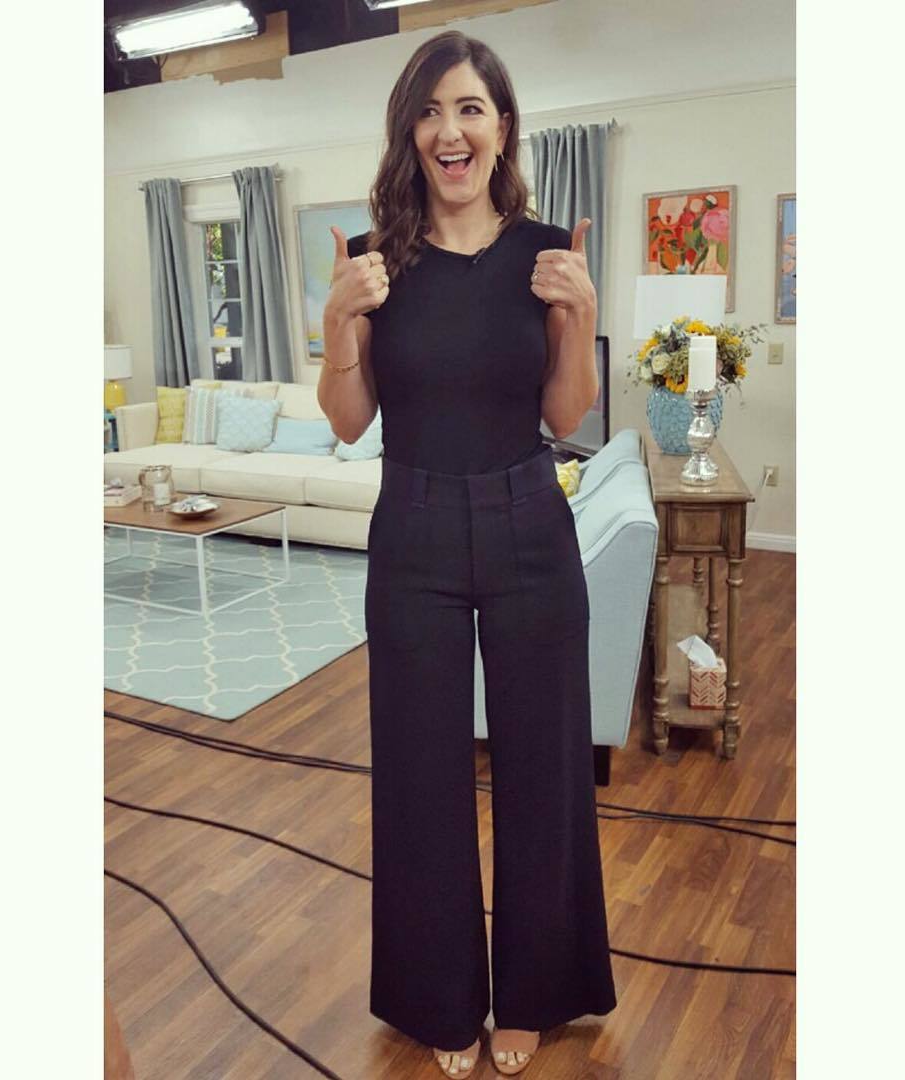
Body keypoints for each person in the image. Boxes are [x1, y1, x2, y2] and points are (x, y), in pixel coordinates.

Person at [316, 29, 616, 1078]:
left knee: (544, 768)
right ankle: (439, 1001)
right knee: (418, 776)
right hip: (414, 529)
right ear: (412, 133)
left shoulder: (545, 255)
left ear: (501, 128)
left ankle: (536, 993)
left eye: (471, 108)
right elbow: (348, 421)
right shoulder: (376, 262)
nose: (451, 129)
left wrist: (580, 315)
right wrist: (336, 326)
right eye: (431, 110)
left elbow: (567, 414)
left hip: (531, 520)